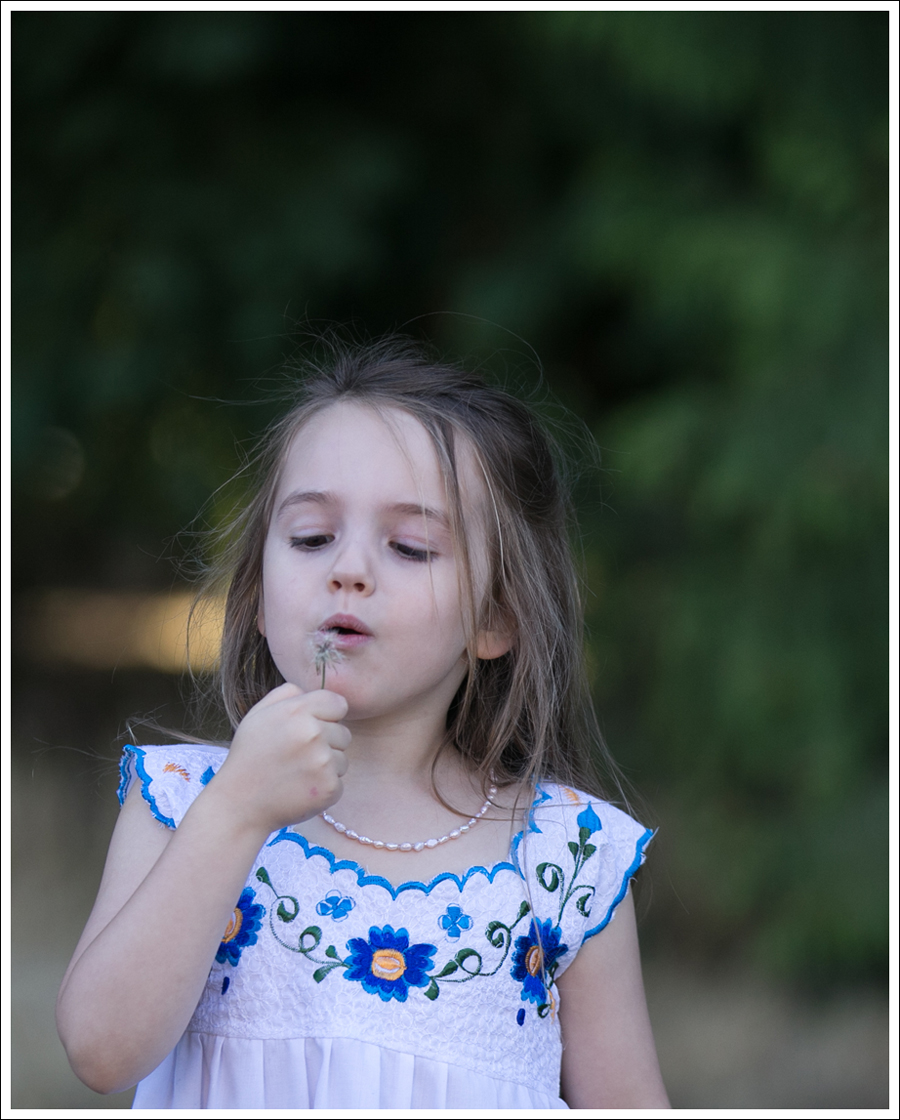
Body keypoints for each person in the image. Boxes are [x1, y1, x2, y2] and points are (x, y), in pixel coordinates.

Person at [56, 339, 671, 1109]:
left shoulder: (568, 859)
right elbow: (100, 1052)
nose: (347, 568)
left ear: (495, 620)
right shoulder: (184, 801)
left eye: (410, 547)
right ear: (253, 593)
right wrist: (237, 812)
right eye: (311, 538)